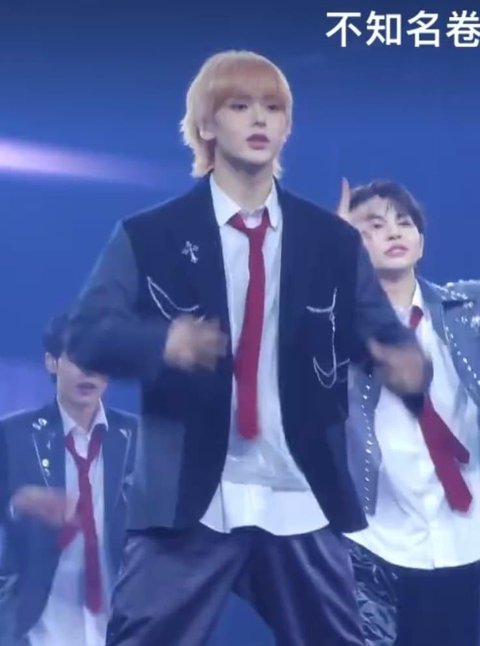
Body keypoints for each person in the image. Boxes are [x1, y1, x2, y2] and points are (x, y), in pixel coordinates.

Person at [68, 51, 429, 646]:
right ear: (206, 124)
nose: (259, 119)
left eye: (273, 108)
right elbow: (85, 335)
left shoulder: (331, 242)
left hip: (300, 490)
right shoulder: (150, 235)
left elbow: (380, 337)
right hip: (191, 496)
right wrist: (164, 342)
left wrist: (406, 365)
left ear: (287, 127)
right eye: (240, 106)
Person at [339, 179, 480, 646]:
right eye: (374, 226)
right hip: (376, 542)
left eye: (404, 222)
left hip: (469, 536)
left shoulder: (470, 309)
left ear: (421, 241)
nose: (394, 232)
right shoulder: (334, 328)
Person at [0, 314, 137, 646]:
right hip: (37, 628)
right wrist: (20, 504)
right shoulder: (11, 435)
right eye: (77, 358)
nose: (88, 371)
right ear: (52, 362)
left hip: (123, 626)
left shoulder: (140, 438)